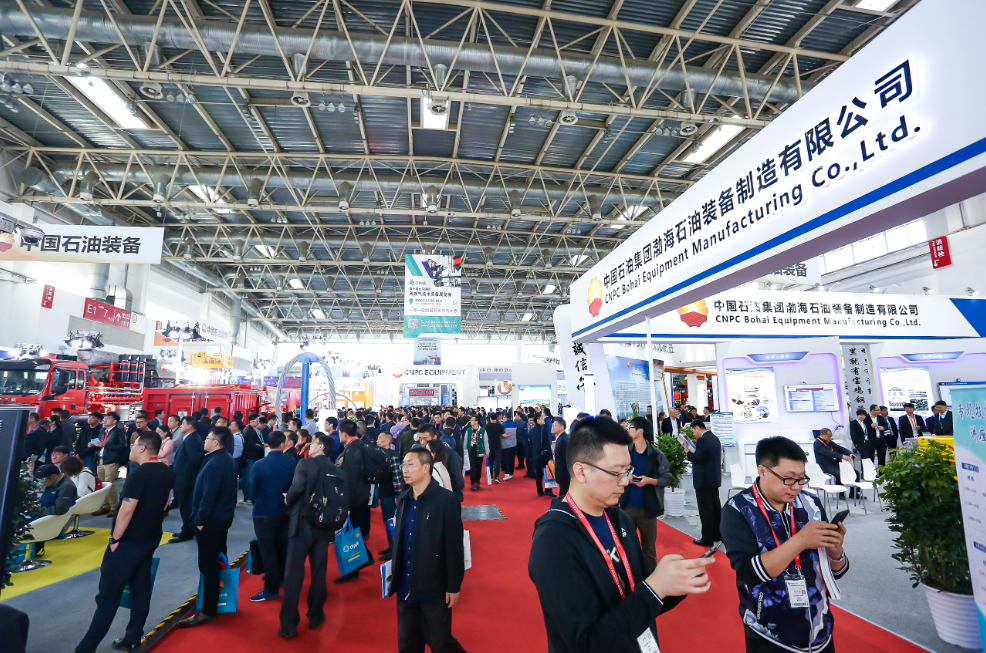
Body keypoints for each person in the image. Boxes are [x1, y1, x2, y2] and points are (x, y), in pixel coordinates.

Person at [529, 417, 712, 653]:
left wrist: (674, 583)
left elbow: (639, 592)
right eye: (616, 473)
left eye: (627, 471)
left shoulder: (618, 518)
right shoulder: (554, 541)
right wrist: (655, 589)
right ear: (581, 471)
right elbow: (583, 643)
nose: (625, 481)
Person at [721, 436, 849, 653]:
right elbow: (748, 574)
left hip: (820, 628)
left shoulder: (810, 503)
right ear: (763, 471)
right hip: (769, 632)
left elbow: (833, 572)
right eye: (788, 479)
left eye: (802, 479)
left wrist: (835, 553)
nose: (796, 487)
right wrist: (799, 541)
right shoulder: (738, 509)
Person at [75, 433, 174, 653]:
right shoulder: (167, 471)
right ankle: (133, 637)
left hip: (128, 541)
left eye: (134, 445)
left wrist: (115, 538)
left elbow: (127, 510)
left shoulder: (139, 474)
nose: (131, 448)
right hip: (151, 536)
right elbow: (166, 502)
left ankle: (86, 648)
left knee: (108, 596)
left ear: (142, 448)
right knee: (141, 588)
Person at [391, 448, 467, 653]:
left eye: (410, 464)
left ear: (426, 468)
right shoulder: (403, 499)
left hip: (434, 588)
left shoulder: (446, 501)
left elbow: (454, 546)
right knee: (407, 643)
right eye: (403, 465)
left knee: (440, 642)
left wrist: (454, 585)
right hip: (405, 586)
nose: (404, 469)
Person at [279, 434, 340, 637]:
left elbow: (297, 488)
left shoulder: (305, 463)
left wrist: (288, 499)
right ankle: (315, 615)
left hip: (302, 524)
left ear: (321, 447)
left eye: (314, 443)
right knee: (319, 573)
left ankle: (288, 624)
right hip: (325, 526)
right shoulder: (336, 469)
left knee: (293, 574)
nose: (310, 445)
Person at [180, 426, 238, 628]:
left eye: (208, 438)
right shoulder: (227, 459)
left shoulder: (214, 463)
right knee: (218, 559)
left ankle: (208, 610)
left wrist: (200, 521)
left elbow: (208, 496)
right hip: (223, 518)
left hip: (211, 521)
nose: (204, 440)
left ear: (216, 442)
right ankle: (215, 600)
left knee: (208, 565)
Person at [249, 431, 297, 603]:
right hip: (285, 511)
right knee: (283, 546)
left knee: (267, 550)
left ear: (268, 444)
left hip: (263, 511)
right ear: (283, 444)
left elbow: (253, 490)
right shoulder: (290, 461)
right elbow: (294, 485)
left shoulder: (259, 464)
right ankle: (281, 577)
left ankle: (271, 588)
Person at [620, 416, 671, 574]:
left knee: (648, 549)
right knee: (625, 547)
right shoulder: (625, 452)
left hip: (648, 509)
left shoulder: (656, 455)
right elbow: (615, 473)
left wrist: (650, 480)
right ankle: (628, 578)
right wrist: (626, 479)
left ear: (640, 431)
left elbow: (667, 479)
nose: (628, 430)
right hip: (626, 507)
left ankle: (650, 581)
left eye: (631, 427)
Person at [334, 419, 374, 583]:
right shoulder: (361, 445)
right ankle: (365, 558)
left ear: (344, 434)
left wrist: (344, 500)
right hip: (362, 494)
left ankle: (354, 569)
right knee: (355, 531)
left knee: (352, 533)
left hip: (355, 497)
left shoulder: (352, 450)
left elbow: (350, 478)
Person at [168, 416, 204, 544]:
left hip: (187, 479)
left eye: (182, 424)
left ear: (189, 426)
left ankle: (187, 531)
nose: (180, 426)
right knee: (186, 505)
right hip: (185, 478)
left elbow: (196, 459)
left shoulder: (192, 439)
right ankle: (188, 528)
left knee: (186, 507)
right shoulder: (190, 438)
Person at [686, 419, 722, 546]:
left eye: (693, 431)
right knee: (715, 508)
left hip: (703, 480)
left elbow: (699, 458)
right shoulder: (714, 438)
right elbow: (706, 454)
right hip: (713, 479)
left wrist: (688, 453)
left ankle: (707, 538)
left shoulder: (703, 440)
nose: (693, 434)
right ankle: (717, 534)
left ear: (697, 428)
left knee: (705, 510)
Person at [93, 412, 128, 518]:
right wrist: (94, 444)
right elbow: (101, 443)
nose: (105, 420)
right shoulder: (103, 431)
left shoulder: (119, 431)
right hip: (101, 459)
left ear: (114, 421)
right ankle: (105, 506)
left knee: (109, 484)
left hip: (111, 460)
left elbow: (123, 446)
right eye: (105, 418)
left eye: (108, 418)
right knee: (101, 484)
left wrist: (107, 445)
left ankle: (114, 507)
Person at [377, 431, 405, 562]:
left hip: (390, 494)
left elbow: (397, 478)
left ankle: (394, 550)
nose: (377, 440)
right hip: (384, 492)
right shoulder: (382, 454)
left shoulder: (392, 456)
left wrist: (398, 496)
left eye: (380, 438)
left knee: (391, 522)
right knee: (387, 521)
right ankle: (391, 546)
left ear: (387, 441)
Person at [416, 424, 464, 501]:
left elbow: (458, 480)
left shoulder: (448, 453)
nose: (422, 442)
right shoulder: (419, 453)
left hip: (447, 498)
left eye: (425, 438)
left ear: (434, 437)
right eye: (420, 439)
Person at [241, 414, 266, 504]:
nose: (258, 422)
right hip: (248, 457)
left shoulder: (251, 430)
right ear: (251, 421)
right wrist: (259, 446)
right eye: (257, 420)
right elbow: (249, 445)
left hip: (251, 456)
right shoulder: (248, 431)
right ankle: (247, 497)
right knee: (247, 478)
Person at [463, 416, 488, 492]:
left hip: (480, 452)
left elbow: (486, 442)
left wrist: (487, 451)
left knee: (479, 468)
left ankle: (478, 482)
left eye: (472, 420)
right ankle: (473, 483)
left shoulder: (483, 431)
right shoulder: (468, 430)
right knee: (472, 467)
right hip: (471, 451)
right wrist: (464, 451)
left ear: (476, 422)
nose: (470, 421)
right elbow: (465, 441)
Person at [551, 418, 571, 495]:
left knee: (564, 493)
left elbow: (567, 458)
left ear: (562, 427)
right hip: (562, 471)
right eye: (553, 425)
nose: (553, 427)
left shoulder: (563, 440)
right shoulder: (561, 437)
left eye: (555, 425)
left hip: (564, 473)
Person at [485, 412, 504, 484]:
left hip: (489, 446)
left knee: (490, 462)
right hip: (498, 446)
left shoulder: (487, 426)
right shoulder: (499, 425)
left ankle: (491, 476)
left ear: (490, 418)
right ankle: (497, 477)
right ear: (496, 418)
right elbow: (503, 434)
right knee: (497, 462)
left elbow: (485, 436)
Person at [500, 413, 517, 480]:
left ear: (506, 418)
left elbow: (501, 435)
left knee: (505, 460)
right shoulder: (515, 424)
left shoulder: (503, 425)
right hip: (513, 444)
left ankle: (507, 473)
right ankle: (511, 473)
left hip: (505, 445)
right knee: (512, 459)